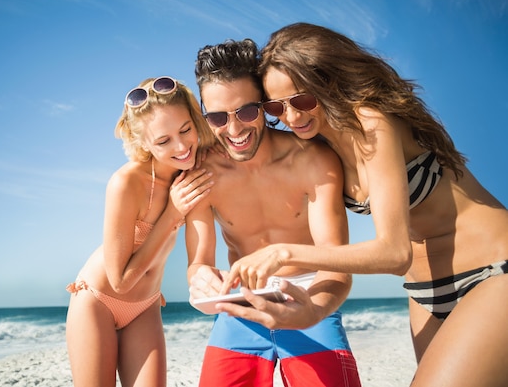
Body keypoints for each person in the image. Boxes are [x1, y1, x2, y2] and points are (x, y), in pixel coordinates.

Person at [221, 22, 508, 387]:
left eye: (303, 100)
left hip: (493, 269)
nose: (291, 118)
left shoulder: (372, 122)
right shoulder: (318, 148)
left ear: (329, 82)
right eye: (277, 107)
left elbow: (393, 252)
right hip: (423, 292)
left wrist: (285, 254)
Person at [186, 39, 361, 387]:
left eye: (247, 112)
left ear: (265, 106)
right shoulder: (201, 171)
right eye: (218, 117)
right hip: (240, 304)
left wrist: (313, 309)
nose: (234, 129)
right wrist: (200, 278)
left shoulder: (313, 160)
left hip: (309, 296)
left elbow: (336, 264)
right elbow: (198, 262)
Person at [65, 76, 217, 387]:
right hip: (98, 301)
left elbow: (199, 258)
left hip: (146, 305)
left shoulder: (192, 176)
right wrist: (172, 214)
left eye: (185, 130)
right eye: (163, 141)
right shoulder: (126, 183)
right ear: (142, 143)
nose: (181, 146)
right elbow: (119, 281)